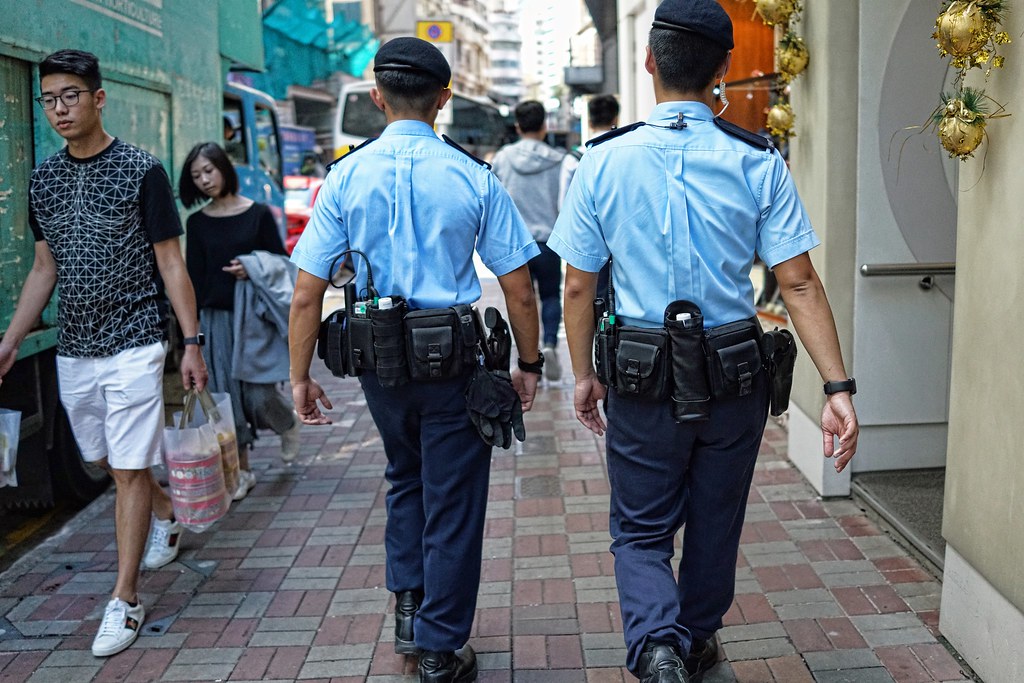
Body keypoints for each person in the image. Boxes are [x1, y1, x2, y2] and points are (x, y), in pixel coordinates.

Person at [548, 2, 860, 681]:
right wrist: (838, 387)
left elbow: (577, 286)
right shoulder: (758, 160)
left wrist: (581, 373)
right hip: (733, 374)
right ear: (723, 68)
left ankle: (658, 645)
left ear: (649, 61)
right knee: (716, 515)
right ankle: (695, 635)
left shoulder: (600, 161)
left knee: (639, 524)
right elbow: (799, 282)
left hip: (641, 374)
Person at [288, 37, 542, 683]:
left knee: (406, 477)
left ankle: (409, 604)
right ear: (445, 99)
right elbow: (518, 285)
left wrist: (299, 377)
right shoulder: (471, 174)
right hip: (453, 363)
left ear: (376, 98)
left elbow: (307, 292)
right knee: (453, 498)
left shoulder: (346, 174)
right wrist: (530, 364)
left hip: (380, 366)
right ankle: (438, 646)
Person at [0, 49, 208, 658]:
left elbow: (172, 263)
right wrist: (11, 340)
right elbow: (45, 268)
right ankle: (165, 512)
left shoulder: (142, 171)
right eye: (48, 100)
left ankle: (125, 599)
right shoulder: (44, 179)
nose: (59, 109)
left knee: (123, 468)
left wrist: (190, 343)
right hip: (76, 345)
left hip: (137, 339)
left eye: (70, 96)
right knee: (107, 462)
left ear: (98, 98)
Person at [179, 142, 302, 499]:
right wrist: (191, 334)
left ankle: (287, 422)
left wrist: (251, 267)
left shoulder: (258, 213)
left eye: (209, 171)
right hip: (215, 321)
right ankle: (241, 471)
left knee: (260, 393)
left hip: (254, 318)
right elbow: (194, 279)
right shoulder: (197, 222)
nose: (204, 180)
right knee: (223, 399)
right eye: (196, 175)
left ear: (224, 169)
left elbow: (280, 264)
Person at [490, 100, 578, 383]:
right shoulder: (559, 159)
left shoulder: (502, 159)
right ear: (544, 126)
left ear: (518, 125)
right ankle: (550, 343)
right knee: (551, 296)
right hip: (548, 243)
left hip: (516, 245)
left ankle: (530, 356)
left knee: (521, 298)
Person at [584, 94, 619, 300]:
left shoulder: (575, 158)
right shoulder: (624, 151)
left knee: (590, 295)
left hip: (587, 239)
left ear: (589, 121)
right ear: (615, 118)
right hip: (619, 239)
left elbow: (563, 203)